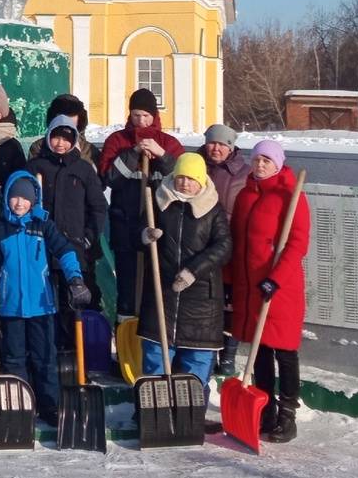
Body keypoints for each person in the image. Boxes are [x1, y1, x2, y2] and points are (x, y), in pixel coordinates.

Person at [0, 171, 91, 426]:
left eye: (25, 198)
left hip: (42, 306)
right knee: (14, 358)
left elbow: (65, 252)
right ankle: (20, 404)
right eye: (14, 197)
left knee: (44, 357)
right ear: (7, 198)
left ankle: (49, 405)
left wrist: (75, 279)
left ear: (34, 200)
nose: (19, 203)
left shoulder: (43, 225)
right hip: (11, 308)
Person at [229, 139, 310, 444]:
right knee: (259, 349)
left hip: (280, 287)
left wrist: (275, 279)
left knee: (285, 351)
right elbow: (237, 243)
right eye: (257, 159)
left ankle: (288, 416)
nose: (260, 165)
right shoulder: (246, 195)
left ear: (278, 163)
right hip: (250, 286)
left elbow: (298, 244)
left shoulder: (291, 196)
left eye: (267, 160)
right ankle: (266, 410)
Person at [138, 152, 232, 394]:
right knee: (156, 358)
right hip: (163, 294)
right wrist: (145, 235)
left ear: (201, 180)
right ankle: (153, 414)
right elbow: (136, 235)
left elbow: (223, 247)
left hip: (200, 299)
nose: (185, 183)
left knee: (196, 362)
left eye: (191, 179)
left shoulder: (212, 209)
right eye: (180, 177)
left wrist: (193, 271)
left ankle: (190, 417)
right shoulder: (159, 201)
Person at [98, 89, 184, 320]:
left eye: (146, 116)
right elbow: (110, 179)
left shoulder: (169, 143)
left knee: (155, 287)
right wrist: (133, 153)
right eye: (136, 115)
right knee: (127, 289)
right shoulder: (117, 141)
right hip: (125, 226)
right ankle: (127, 340)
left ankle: (153, 341)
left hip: (159, 227)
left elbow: (183, 181)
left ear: (154, 115)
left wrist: (162, 156)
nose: (141, 121)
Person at [27, 113, 107, 345]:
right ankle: (47, 350)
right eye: (56, 138)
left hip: (74, 248)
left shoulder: (83, 169)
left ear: (74, 140)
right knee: (43, 300)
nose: (60, 143)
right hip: (40, 246)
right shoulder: (36, 167)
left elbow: (98, 207)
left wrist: (89, 237)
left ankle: (74, 353)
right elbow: (20, 200)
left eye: (66, 138)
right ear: (48, 137)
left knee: (72, 302)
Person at [199, 122, 249, 373]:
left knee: (229, 302)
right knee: (205, 301)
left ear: (231, 147)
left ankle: (228, 355)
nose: (215, 148)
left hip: (230, 245)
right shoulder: (195, 165)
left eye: (221, 144)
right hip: (199, 244)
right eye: (212, 142)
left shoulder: (244, 173)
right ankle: (205, 352)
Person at [27, 94, 96, 165]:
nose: (66, 121)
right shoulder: (39, 147)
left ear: (79, 119)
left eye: (70, 116)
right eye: (62, 116)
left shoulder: (89, 150)